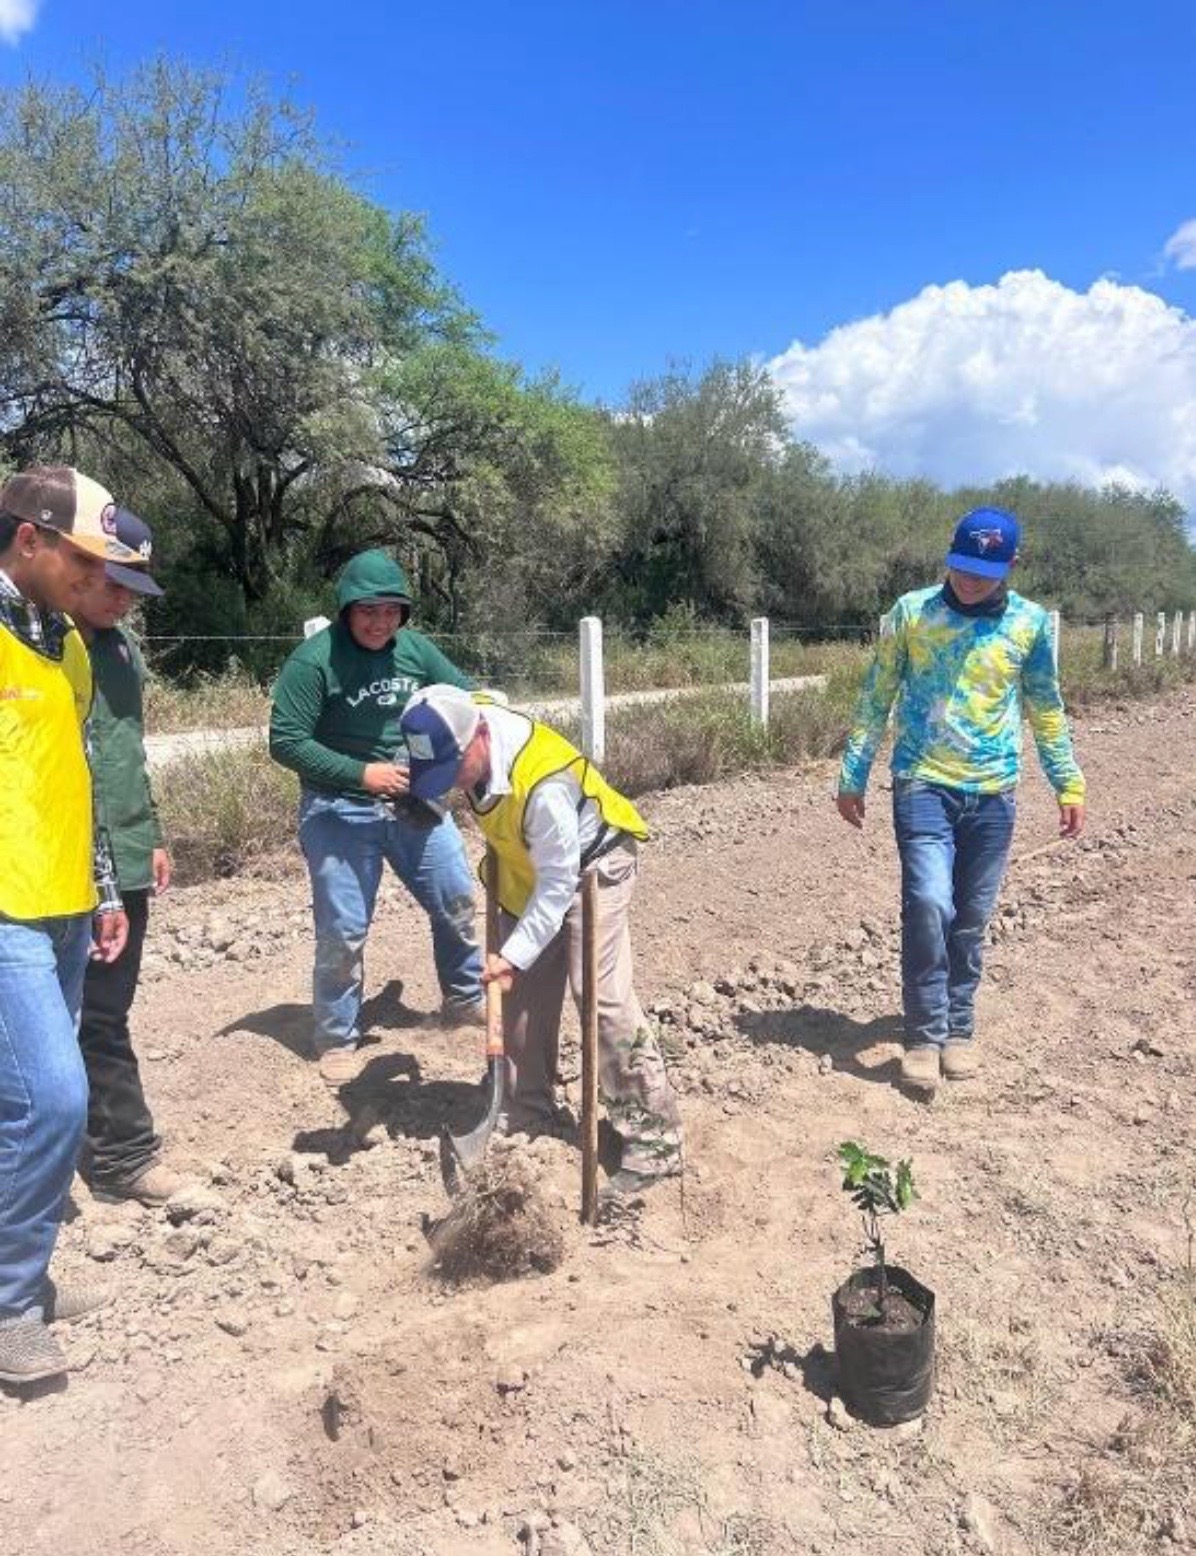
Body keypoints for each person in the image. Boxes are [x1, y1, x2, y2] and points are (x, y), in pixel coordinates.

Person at [835, 507, 1085, 1094]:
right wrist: (852, 773)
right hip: (922, 779)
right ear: (949, 556)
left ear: (1011, 566)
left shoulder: (1029, 624)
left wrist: (1066, 780)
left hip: (995, 791)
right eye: (962, 566)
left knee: (969, 919)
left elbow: (1045, 707)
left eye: (986, 570)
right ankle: (922, 1034)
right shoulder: (912, 614)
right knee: (928, 903)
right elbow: (878, 694)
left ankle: (958, 1026)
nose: (971, 580)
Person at [399, 685, 683, 1196]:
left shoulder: (544, 784)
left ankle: (654, 1139)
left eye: (456, 767)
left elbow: (559, 886)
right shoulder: (465, 721)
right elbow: (488, 695)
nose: (453, 783)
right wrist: (516, 964)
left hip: (592, 866)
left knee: (600, 996)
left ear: (481, 734)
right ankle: (529, 1110)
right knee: (521, 1000)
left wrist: (512, 954)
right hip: (525, 867)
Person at [0, 464, 139, 1385]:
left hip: (62, 905)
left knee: (25, 1106)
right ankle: (10, 1304)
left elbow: (75, 773)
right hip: (6, 908)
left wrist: (104, 887)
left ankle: (28, 1277)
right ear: (29, 541)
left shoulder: (66, 644)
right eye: (85, 560)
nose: (100, 581)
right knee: (55, 1099)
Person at [270, 551, 485, 1085]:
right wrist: (360, 774)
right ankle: (338, 1037)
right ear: (346, 610)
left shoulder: (415, 651)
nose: (379, 622)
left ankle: (464, 998)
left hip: (415, 800)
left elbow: (464, 698)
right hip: (337, 805)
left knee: (457, 898)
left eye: (391, 611)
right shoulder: (314, 661)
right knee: (344, 929)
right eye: (368, 610)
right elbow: (286, 741)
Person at [71, 510, 191, 1206]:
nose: (121, 600)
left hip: (125, 856)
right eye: (112, 584)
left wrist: (152, 832)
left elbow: (126, 753)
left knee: (103, 1014)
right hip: (53, 864)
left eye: (132, 589)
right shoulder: (39, 647)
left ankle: (117, 1157)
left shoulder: (121, 654)